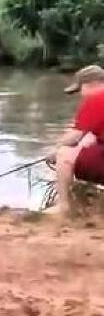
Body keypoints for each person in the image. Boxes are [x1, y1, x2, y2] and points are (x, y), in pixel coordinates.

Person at [47, 64, 104, 214]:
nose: (80, 95)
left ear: (92, 84)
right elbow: (91, 137)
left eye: (80, 89)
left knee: (64, 155)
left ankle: (63, 207)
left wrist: (55, 151)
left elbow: (75, 134)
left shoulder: (97, 98)